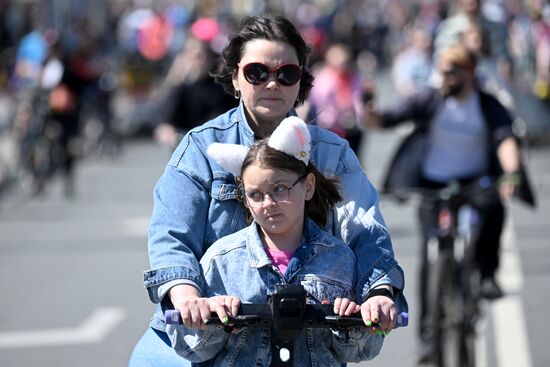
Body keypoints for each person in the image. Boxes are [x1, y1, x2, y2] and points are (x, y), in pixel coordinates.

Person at [129, 15, 406, 366]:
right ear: (234, 77)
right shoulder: (200, 148)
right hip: (210, 337)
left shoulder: (332, 152)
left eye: (286, 74)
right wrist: (187, 296)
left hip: (308, 339)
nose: (272, 84)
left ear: (301, 82)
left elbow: (365, 229)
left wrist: (379, 293)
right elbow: (171, 236)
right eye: (257, 73)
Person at [166, 116, 392, 365]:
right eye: (255, 194)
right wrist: (208, 316)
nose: (268, 203)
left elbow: (364, 350)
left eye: (280, 189)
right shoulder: (221, 260)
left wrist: (355, 322)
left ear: (308, 187)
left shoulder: (340, 259)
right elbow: (189, 348)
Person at [364, 43, 535, 364]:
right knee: (431, 256)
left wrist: (511, 173)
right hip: (433, 184)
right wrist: (370, 107)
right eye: (441, 71)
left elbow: (505, 140)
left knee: (494, 208)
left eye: (451, 71)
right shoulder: (430, 98)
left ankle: (486, 274)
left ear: (468, 72)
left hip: (475, 181)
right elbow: (383, 121)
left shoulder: (486, 104)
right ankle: (429, 336)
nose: (444, 77)